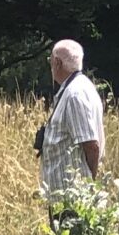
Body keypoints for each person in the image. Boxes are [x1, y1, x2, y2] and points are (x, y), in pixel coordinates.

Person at [35, 38, 106, 212]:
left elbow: (91, 145)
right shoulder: (78, 88)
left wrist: (89, 184)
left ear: (57, 63)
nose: (50, 65)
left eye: (50, 60)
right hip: (67, 195)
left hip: (72, 199)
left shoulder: (75, 94)